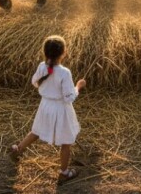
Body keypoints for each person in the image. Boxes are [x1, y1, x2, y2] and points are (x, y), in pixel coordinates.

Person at [8, 35, 86, 185]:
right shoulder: (64, 72)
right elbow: (69, 97)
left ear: (45, 52)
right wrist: (78, 86)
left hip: (45, 106)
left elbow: (35, 82)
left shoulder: (42, 67)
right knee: (66, 141)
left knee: (36, 131)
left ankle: (18, 150)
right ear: (64, 53)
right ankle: (64, 173)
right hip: (61, 110)